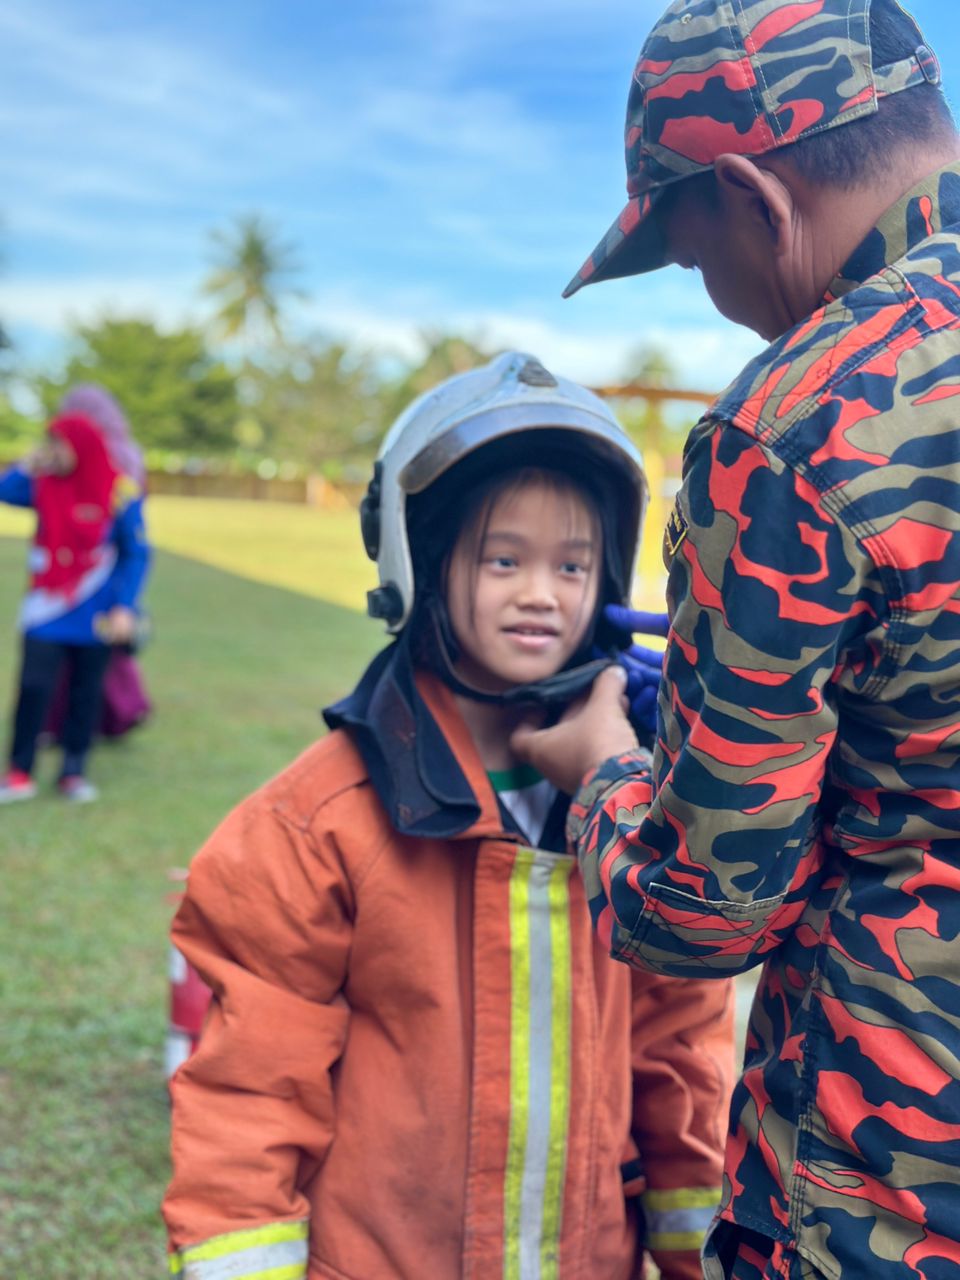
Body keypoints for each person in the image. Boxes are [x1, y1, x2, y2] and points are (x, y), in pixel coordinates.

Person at [513, 3, 960, 1279]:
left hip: (891, 1188)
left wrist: (607, 768)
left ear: (756, 197)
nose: (726, 311)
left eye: (694, 257)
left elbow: (704, 913)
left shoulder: (796, 424)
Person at [163, 352, 734, 1280]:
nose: (542, 592)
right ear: (417, 563)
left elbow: (680, 1056)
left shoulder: (638, 810)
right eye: (502, 558)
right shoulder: (317, 828)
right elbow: (250, 1093)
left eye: (572, 563)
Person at [0, 404, 151, 803]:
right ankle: (19, 770)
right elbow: (4, 491)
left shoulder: (119, 490)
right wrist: (28, 464)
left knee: (85, 693)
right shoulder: (43, 482)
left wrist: (125, 606)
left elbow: (136, 553)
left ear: (82, 445)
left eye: (59, 443)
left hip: (96, 611)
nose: (55, 451)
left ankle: (73, 770)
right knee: (33, 688)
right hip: (45, 610)